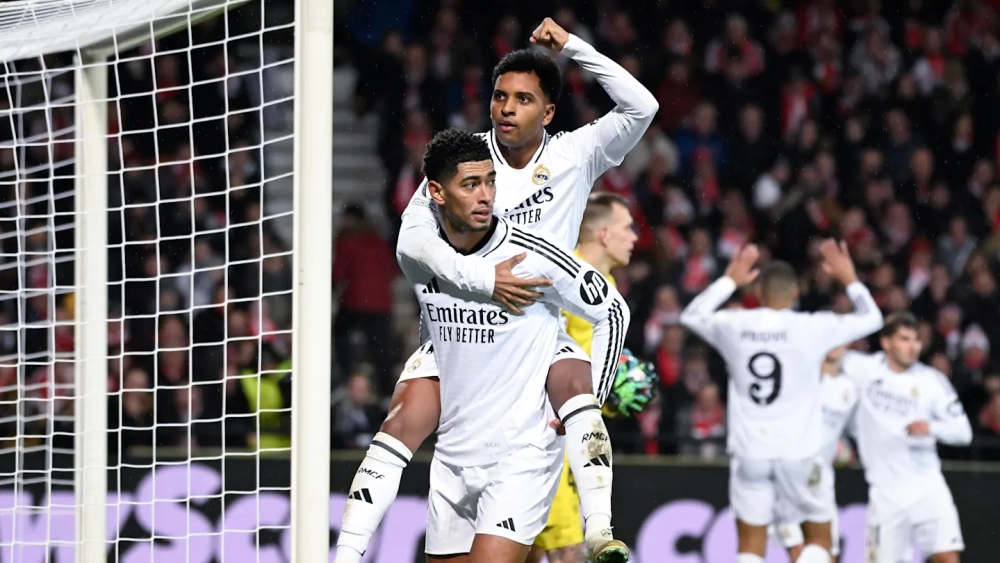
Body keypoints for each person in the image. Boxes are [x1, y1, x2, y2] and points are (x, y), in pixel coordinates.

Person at [336, 16, 657, 563]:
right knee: (403, 417)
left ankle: (599, 528)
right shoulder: (467, 164)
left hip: (536, 325)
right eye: (500, 96)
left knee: (575, 383)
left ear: (548, 112)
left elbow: (641, 108)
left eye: (524, 99)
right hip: (457, 331)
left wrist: (574, 47)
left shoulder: (573, 156)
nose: (507, 108)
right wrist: (482, 280)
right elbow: (413, 237)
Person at [392, 129, 630, 563]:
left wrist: (597, 392)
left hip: (529, 444)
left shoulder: (543, 263)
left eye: (491, 182)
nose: (486, 194)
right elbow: (416, 235)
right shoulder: (432, 245)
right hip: (460, 450)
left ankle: (601, 528)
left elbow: (607, 323)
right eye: (473, 184)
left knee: (564, 555)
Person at [679, 240, 883, 563]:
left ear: (758, 293)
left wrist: (729, 280)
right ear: (794, 295)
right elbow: (873, 319)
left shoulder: (736, 325)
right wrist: (849, 277)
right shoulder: (811, 327)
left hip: (750, 452)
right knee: (818, 538)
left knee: (750, 546)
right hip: (799, 452)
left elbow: (691, 315)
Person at [527, 192, 658, 563]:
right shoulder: (564, 279)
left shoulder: (606, 281)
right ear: (602, 233)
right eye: (627, 227)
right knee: (568, 553)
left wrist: (611, 394)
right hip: (549, 438)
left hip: (571, 436)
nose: (635, 236)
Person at [841, 312, 972, 563]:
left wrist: (932, 427)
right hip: (885, 493)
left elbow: (963, 432)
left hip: (927, 487)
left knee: (947, 557)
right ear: (886, 343)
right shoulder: (863, 369)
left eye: (916, 340)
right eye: (904, 339)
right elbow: (829, 352)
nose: (913, 347)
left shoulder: (932, 381)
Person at [771, 345, 857, 561]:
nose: (836, 345)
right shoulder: (801, 378)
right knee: (798, 551)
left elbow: (854, 431)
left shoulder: (849, 388)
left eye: (842, 340)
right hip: (789, 478)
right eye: (831, 340)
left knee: (829, 554)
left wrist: (845, 449)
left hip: (821, 480)